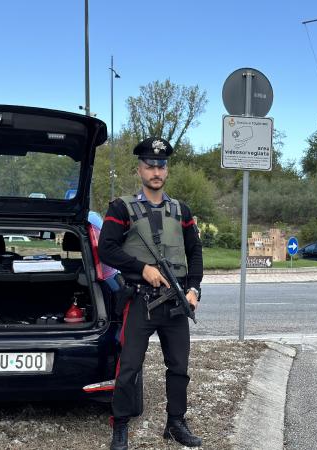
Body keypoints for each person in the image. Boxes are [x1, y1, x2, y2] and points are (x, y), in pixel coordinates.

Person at [98, 137, 203, 450]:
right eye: (150, 165)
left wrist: (195, 287)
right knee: (129, 366)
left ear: (166, 171)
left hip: (175, 302)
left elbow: (194, 251)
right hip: (140, 300)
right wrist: (141, 268)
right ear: (139, 169)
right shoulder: (121, 208)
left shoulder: (181, 210)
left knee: (179, 367)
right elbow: (106, 249)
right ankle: (120, 425)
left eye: (161, 165)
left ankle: (175, 422)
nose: (156, 171)